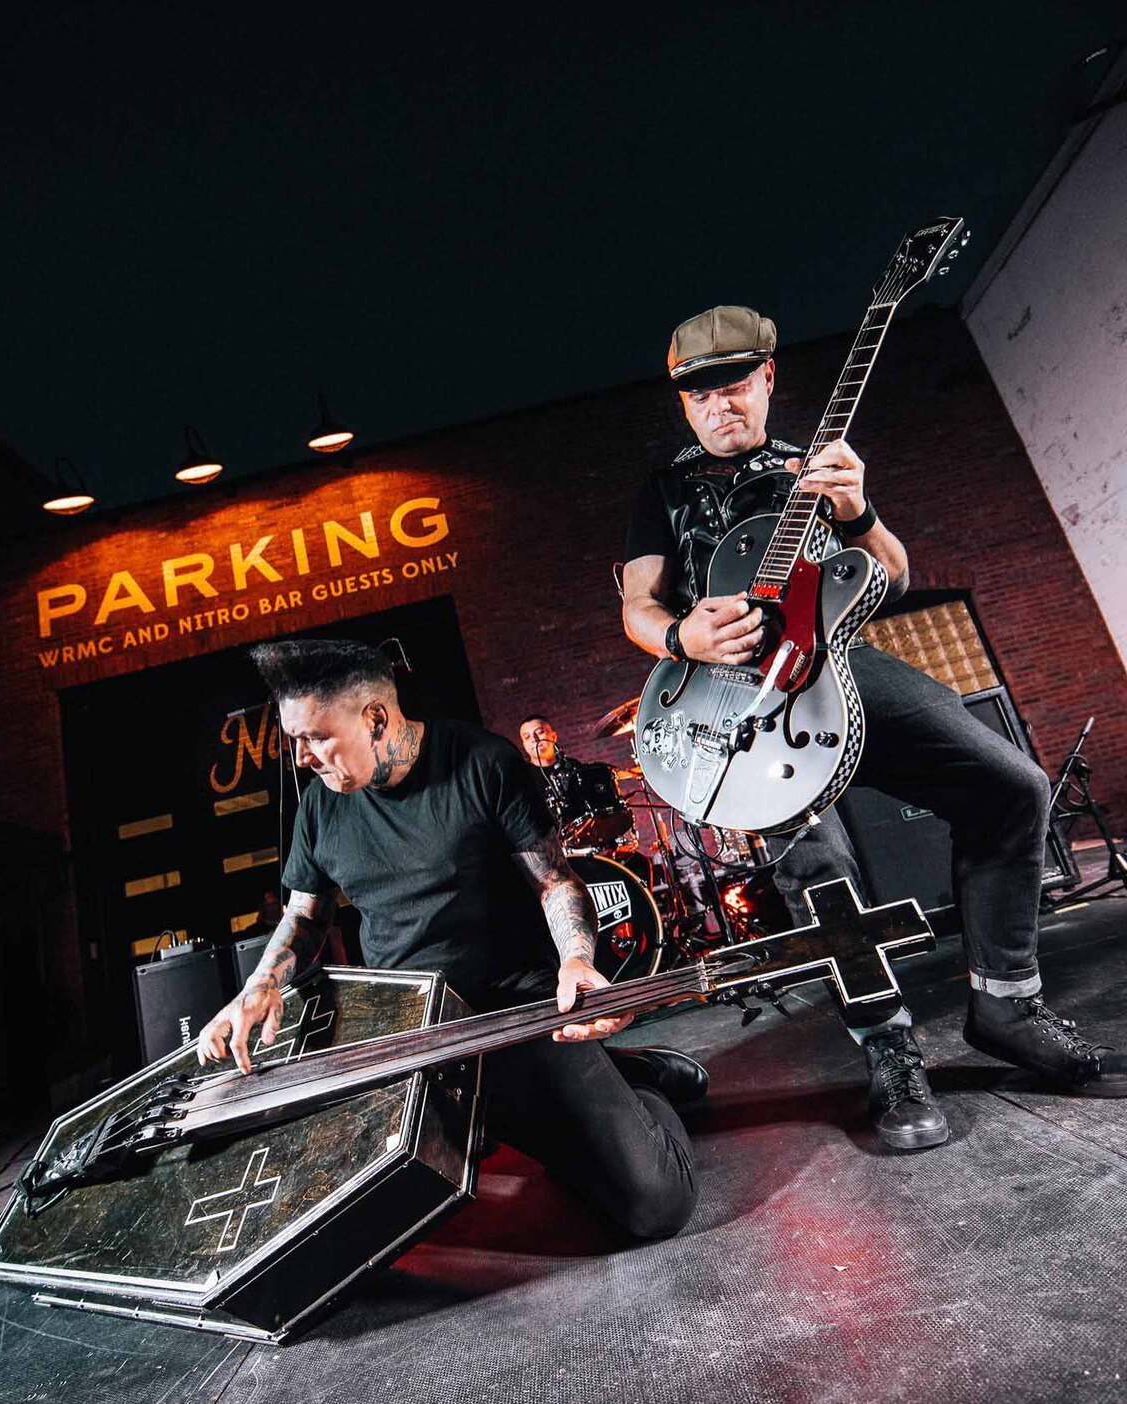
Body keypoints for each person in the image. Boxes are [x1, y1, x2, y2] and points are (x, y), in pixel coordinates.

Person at [621, 304, 1127, 1151]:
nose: (720, 407)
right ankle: (889, 1047)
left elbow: (890, 576)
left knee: (1013, 787)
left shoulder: (816, 467)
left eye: (734, 386)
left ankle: (1007, 1008)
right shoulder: (663, 490)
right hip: (737, 695)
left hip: (839, 661)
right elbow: (637, 604)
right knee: (820, 869)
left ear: (767, 377)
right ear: (682, 403)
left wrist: (857, 511)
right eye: (700, 395)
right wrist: (682, 636)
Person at [198, 639, 703, 1240]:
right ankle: (562, 1092)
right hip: (411, 1025)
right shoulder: (320, 806)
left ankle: (637, 1083)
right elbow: (305, 917)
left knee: (655, 1203)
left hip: (512, 1006)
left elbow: (555, 881)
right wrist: (259, 985)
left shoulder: (483, 762)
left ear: (375, 719)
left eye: (315, 737)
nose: (303, 757)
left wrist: (575, 960)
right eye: (295, 740)